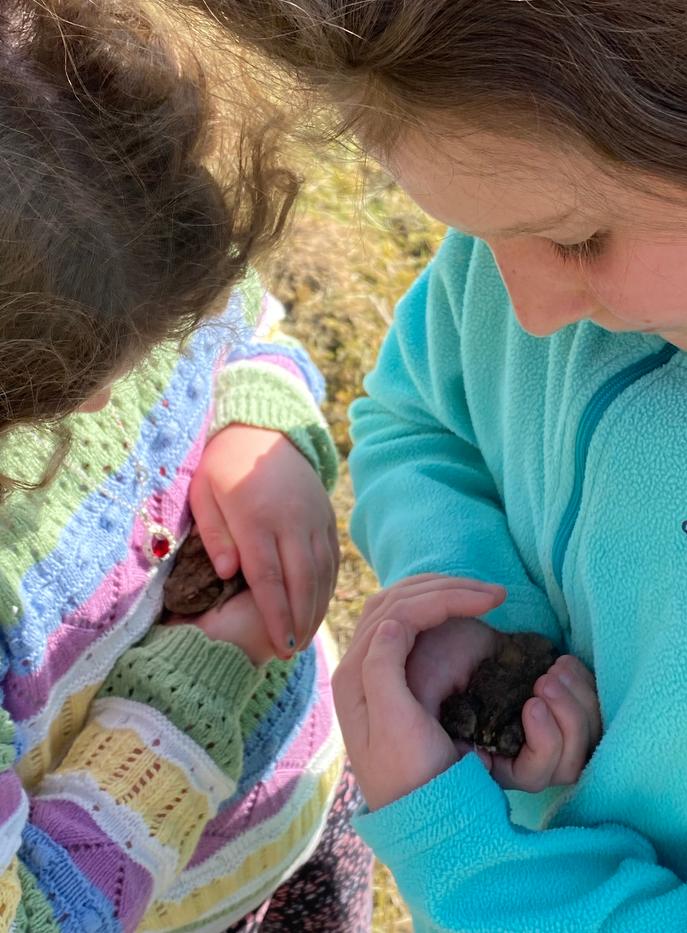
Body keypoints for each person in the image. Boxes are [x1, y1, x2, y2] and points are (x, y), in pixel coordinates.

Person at [183, 1, 687, 929]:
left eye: (579, 239)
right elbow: (417, 417)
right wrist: (488, 619)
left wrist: (465, 856)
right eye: (470, 233)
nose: (526, 311)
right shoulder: (532, 234)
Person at [0, 2, 373, 930]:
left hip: (296, 792)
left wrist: (262, 428)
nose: (113, 398)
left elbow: (237, 320)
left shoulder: (101, 215)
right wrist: (201, 681)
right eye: (76, 383)